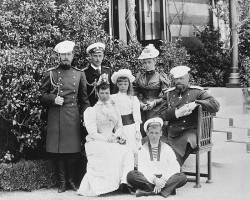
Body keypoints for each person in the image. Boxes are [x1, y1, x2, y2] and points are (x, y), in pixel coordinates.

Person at [40, 40, 90, 193]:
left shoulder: (79, 73)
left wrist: (87, 117)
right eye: (63, 55)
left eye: (68, 54)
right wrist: (52, 99)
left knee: (73, 149)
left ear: (73, 55)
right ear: (59, 56)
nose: (66, 57)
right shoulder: (51, 73)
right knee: (59, 150)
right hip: (57, 114)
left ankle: (72, 181)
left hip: (73, 114)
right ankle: (62, 182)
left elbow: (84, 100)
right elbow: (41, 95)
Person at [77, 74, 134, 196]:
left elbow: (119, 126)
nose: (104, 96)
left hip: (112, 138)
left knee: (127, 151)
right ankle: (105, 186)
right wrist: (106, 139)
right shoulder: (92, 110)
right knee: (109, 150)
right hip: (97, 140)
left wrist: (116, 136)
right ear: (97, 93)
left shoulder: (114, 107)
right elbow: (92, 132)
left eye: (107, 93)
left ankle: (124, 182)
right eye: (102, 93)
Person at [157, 66, 220, 166]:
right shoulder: (169, 94)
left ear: (188, 78)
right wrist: (176, 113)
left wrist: (196, 103)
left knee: (185, 143)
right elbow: (161, 114)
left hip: (190, 131)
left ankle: (173, 168)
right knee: (150, 143)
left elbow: (215, 105)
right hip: (172, 131)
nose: (178, 81)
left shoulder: (197, 92)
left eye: (181, 78)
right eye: (176, 79)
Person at [127, 117, 187, 198]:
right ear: (147, 133)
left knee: (182, 177)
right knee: (131, 175)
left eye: (156, 133)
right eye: (151, 133)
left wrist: (163, 179)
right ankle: (167, 190)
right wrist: (155, 180)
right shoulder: (142, 149)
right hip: (149, 178)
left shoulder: (167, 148)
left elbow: (174, 165)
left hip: (164, 178)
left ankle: (149, 192)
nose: (154, 136)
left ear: (161, 133)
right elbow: (142, 168)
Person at [135, 44, 170, 137]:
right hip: (142, 108)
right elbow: (135, 93)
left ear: (155, 61)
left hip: (156, 109)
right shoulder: (140, 77)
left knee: (152, 131)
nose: (146, 65)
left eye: (149, 62)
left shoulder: (161, 77)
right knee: (141, 131)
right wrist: (140, 103)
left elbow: (167, 96)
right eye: (145, 62)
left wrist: (154, 103)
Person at [111, 69, 142, 163]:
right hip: (119, 129)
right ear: (117, 85)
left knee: (133, 150)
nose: (123, 86)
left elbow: (137, 117)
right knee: (120, 151)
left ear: (129, 84)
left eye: (125, 84)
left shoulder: (133, 98)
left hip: (131, 128)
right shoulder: (113, 98)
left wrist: (137, 131)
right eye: (120, 84)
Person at [84, 42, 113, 106]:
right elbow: (83, 95)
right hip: (92, 108)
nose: (98, 59)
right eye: (95, 56)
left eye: (100, 56)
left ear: (103, 56)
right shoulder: (84, 73)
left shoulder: (108, 71)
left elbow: (113, 91)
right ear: (90, 56)